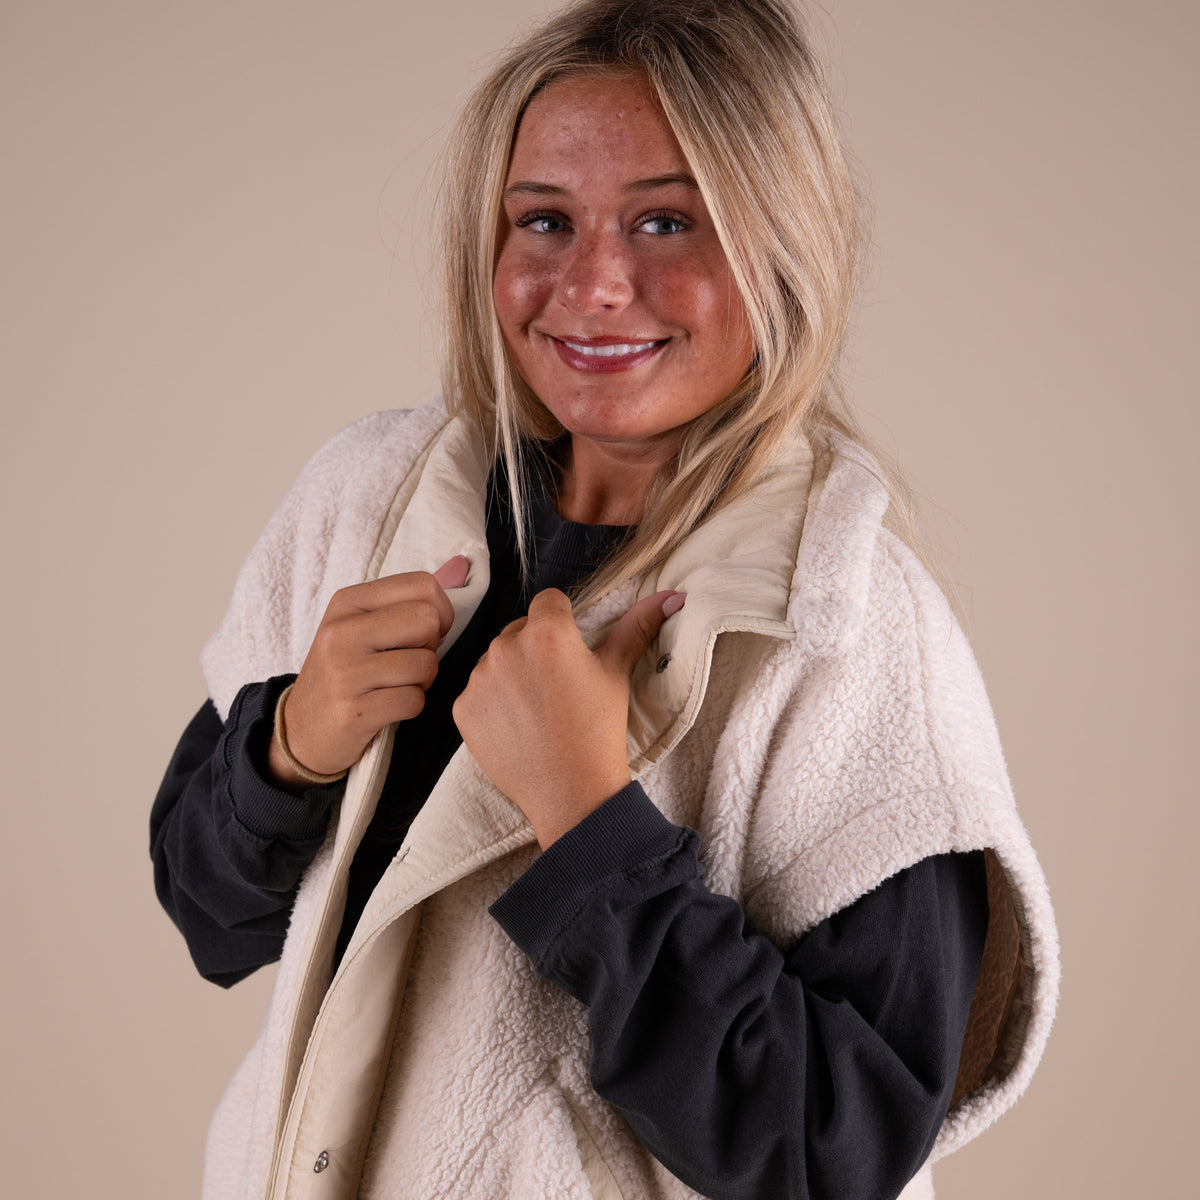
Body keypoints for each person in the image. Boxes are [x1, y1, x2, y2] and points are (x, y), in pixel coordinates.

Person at [150, 1, 1058, 1197]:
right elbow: (212, 919)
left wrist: (591, 827)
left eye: (666, 220)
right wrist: (290, 748)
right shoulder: (367, 502)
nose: (593, 283)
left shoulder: (847, 629)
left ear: (781, 243)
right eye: (544, 221)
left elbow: (833, 1155)